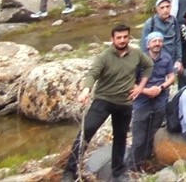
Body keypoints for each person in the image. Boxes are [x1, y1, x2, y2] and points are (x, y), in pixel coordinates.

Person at [62, 24, 152, 181]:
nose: (122, 40)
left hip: (125, 103)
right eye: (119, 37)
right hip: (103, 100)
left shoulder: (136, 53)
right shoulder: (104, 56)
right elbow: (92, 74)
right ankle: (70, 172)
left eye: (125, 37)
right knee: (85, 133)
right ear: (112, 39)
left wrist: (140, 87)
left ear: (129, 37)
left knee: (120, 137)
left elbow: (149, 65)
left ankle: (118, 172)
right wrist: (85, 91)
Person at [129, 30, 175, 171]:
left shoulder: (166, 57)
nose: (157, 44)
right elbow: (130, 82)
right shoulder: (139, 59)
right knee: (139, 131)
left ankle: (147, 158)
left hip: (160, 95)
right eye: (154, 41)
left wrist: (161, 87)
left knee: (154, 129)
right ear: (148, 44)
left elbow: (172, 76)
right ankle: (132, 164)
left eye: (160, 41)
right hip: (142, 97)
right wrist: (146, 91)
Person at [141, 0, 182, 68]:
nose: (165, 10)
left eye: (167, 7)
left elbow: (178, 41)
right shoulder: (150, 23)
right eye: (162, 8)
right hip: (155, 60)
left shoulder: (174, 21)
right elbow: (144, 45)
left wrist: (179, 60)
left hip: (171, 59)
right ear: (157, 9)